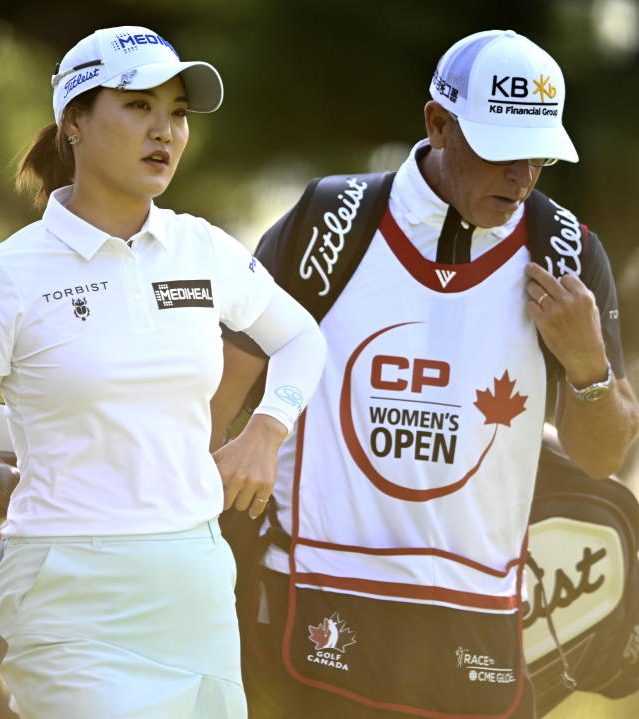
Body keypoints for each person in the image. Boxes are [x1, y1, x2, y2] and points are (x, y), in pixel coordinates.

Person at [0, 25, 328, 719]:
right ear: (75, 124)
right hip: (64, 590)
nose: (166, 132)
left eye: (176, 112)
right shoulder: (2, 277)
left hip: (196, 583)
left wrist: (269, 426)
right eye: (139, 106)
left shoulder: (200, 248)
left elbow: (301, 338)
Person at [211, 29, 639, 719]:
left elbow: (601, 456)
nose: (522, 176)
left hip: (477, 637)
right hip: (308, 613)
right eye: (502, 151)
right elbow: (212, 407)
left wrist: (588, 365)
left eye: (539, 156)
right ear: (437, 124)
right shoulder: (330, 220)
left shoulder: (564, 251)